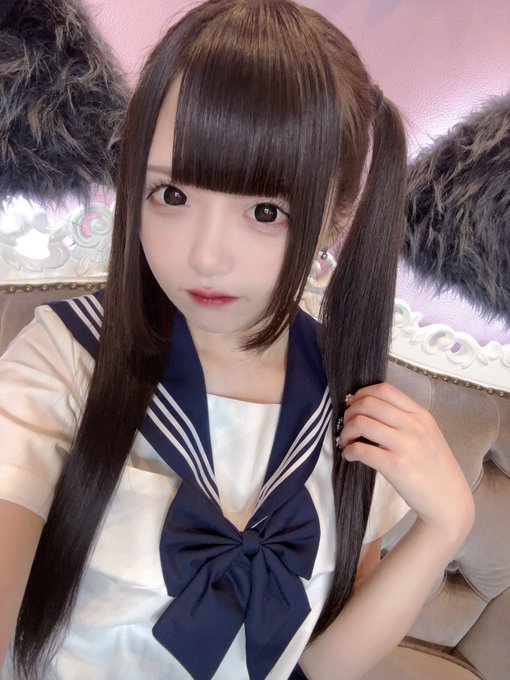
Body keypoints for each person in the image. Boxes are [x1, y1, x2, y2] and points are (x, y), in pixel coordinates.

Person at [0, 1, 474, 678]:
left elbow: (321, 667)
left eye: (264, 211)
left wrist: (446, 525)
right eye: (172, 195)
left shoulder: (357, 409)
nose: (205, 257)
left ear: (335, 217)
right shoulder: (65, 359)